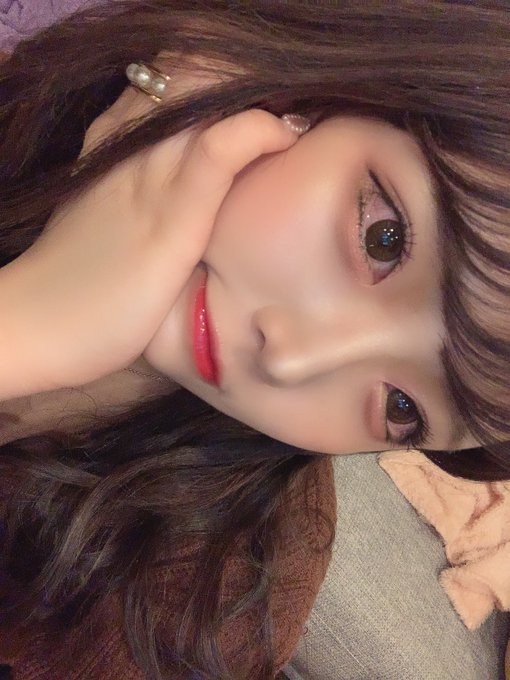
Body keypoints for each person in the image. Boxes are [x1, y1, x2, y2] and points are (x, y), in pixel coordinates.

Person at [0, 0, 508, 678]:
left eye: (402, 409)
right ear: (328, 90)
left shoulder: (210, 603)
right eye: (382, 240)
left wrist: (25, 331)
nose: (292, 359)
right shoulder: (32, 91)